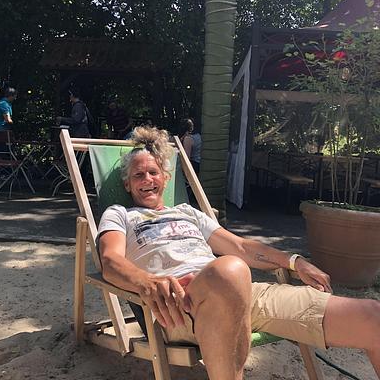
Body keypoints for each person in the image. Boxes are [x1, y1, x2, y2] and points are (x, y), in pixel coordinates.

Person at [97, 126, 380, 380]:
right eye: (138, 175)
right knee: (229, 270)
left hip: (240, 289)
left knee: (372, 316)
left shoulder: (187, 212)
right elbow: (110, 261)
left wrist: (295, 261)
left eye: (153, 172)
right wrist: (147, 282)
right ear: (127, 184)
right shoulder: (120, 214)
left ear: (166, 178)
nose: (147, 179)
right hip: (182, 305)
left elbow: (241, 247)